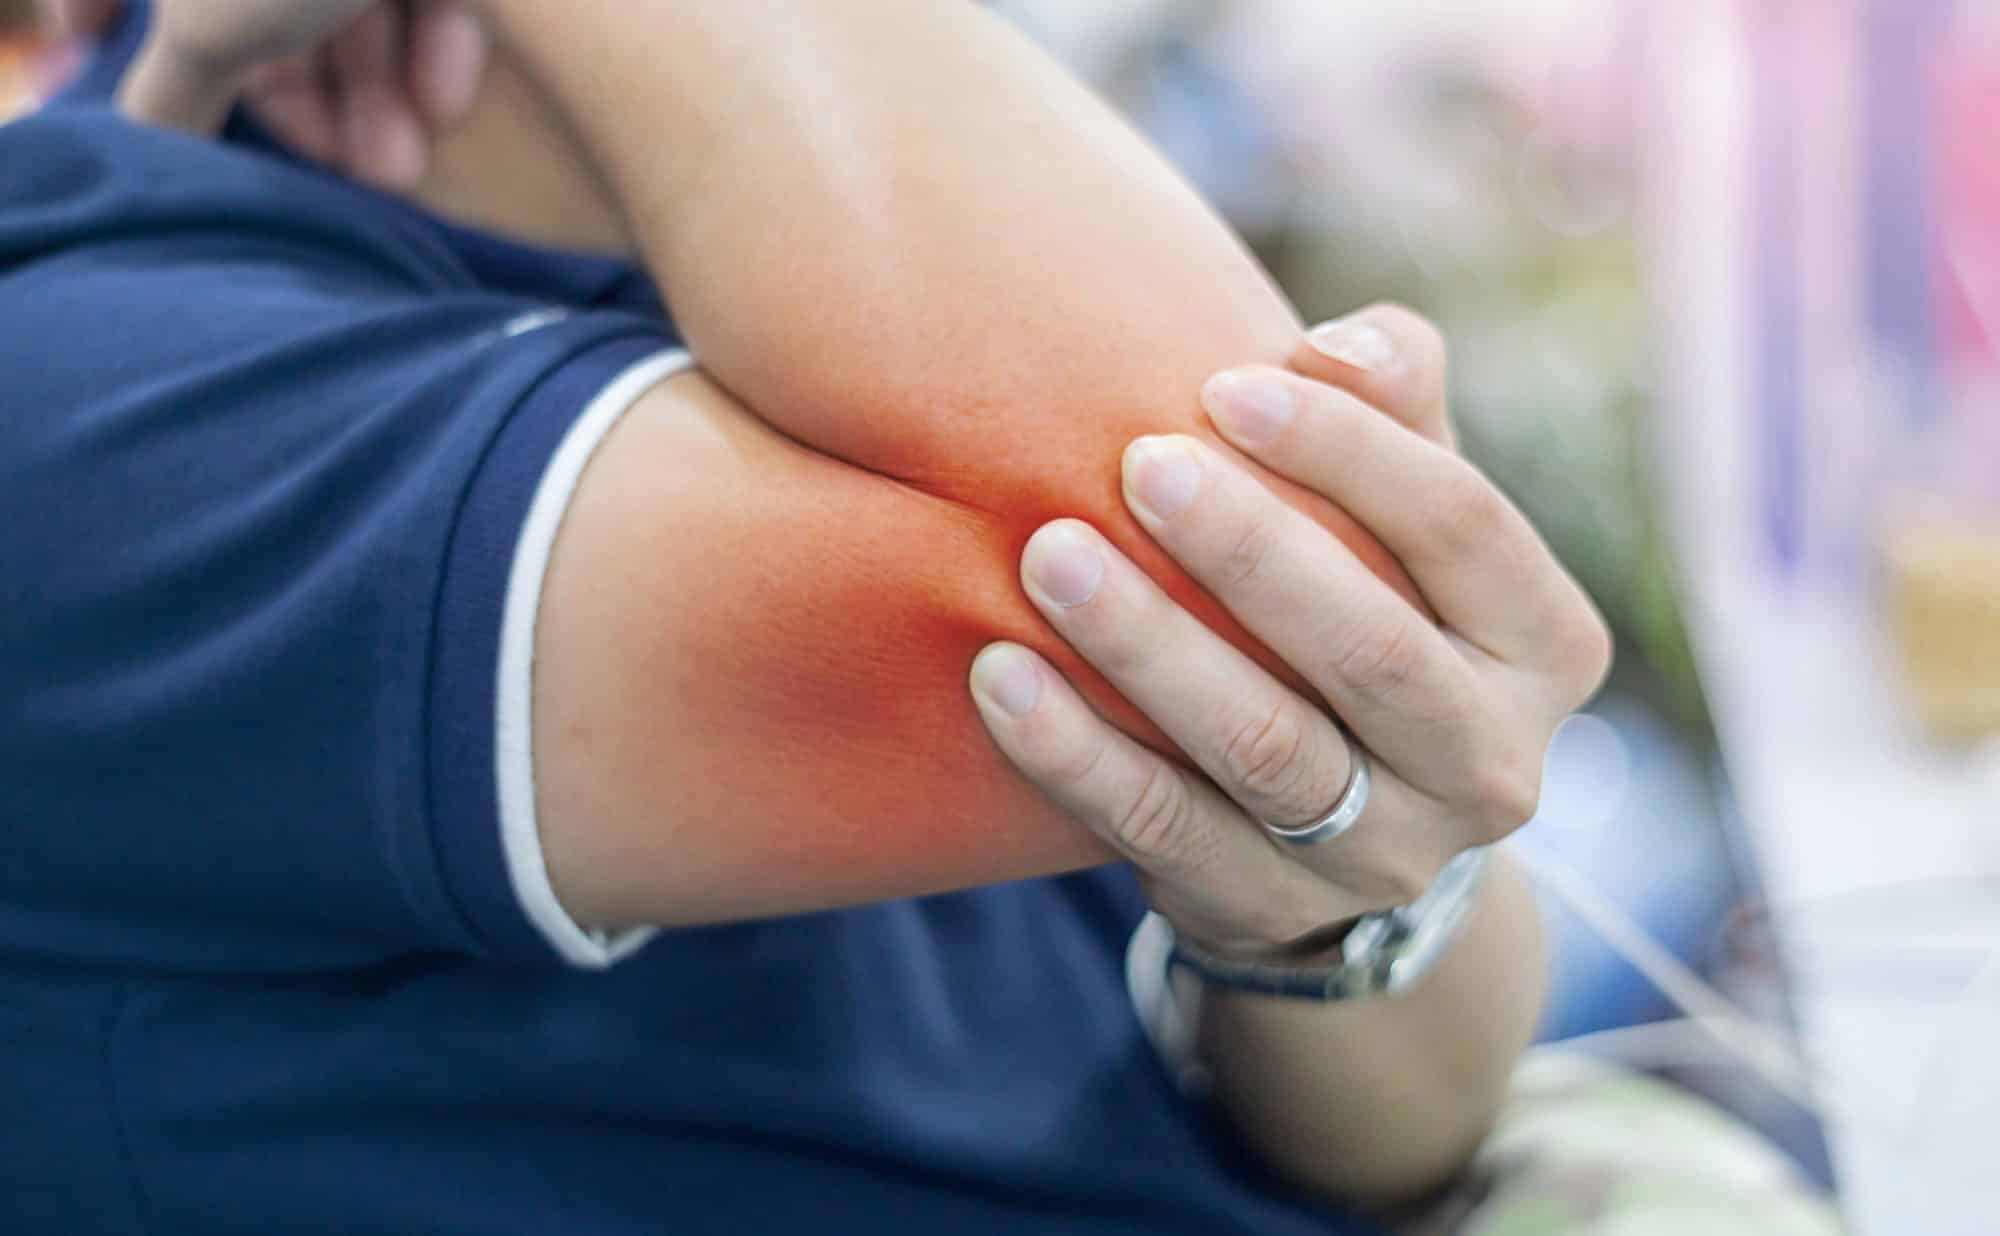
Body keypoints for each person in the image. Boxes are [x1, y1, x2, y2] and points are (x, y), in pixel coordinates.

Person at [1, 2, 1612, 1232]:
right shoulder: (75, 382)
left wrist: (1322, 920)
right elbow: (1223, 576)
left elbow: (1417, 1112)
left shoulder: (705, 195)